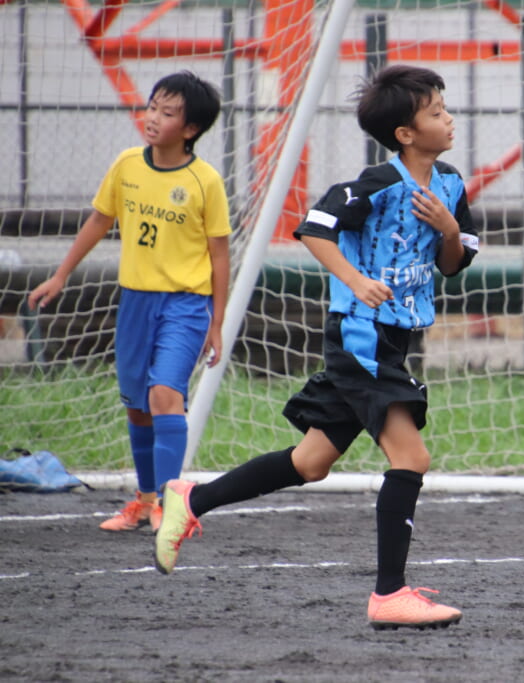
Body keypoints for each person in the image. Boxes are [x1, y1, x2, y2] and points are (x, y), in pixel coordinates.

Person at [154, 64, 478, 630]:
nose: (448, 118)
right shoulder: (376, 183)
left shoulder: (448, 183)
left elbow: (453, 266)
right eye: (436, 112)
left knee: (310, 463)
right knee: (411, 457)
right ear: (405, 133)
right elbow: (313, 227)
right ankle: (389, 595)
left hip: (395, 339)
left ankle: (190, 499)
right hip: (360, 334)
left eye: (444, 108)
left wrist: (449, 229)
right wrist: (355, 280)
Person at [28, 71, 231, 533]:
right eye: (152, 107)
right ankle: (143, 502)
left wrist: (216, 323)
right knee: (138, 408)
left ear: (191, 129)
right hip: (135, 303)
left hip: (185, 305)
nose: (153, 118)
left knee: (165, 396)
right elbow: (99, 221)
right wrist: (61, 275)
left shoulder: (205, 182)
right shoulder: (126, 165)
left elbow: (220, 255)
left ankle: (169, 504)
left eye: (167, 112)